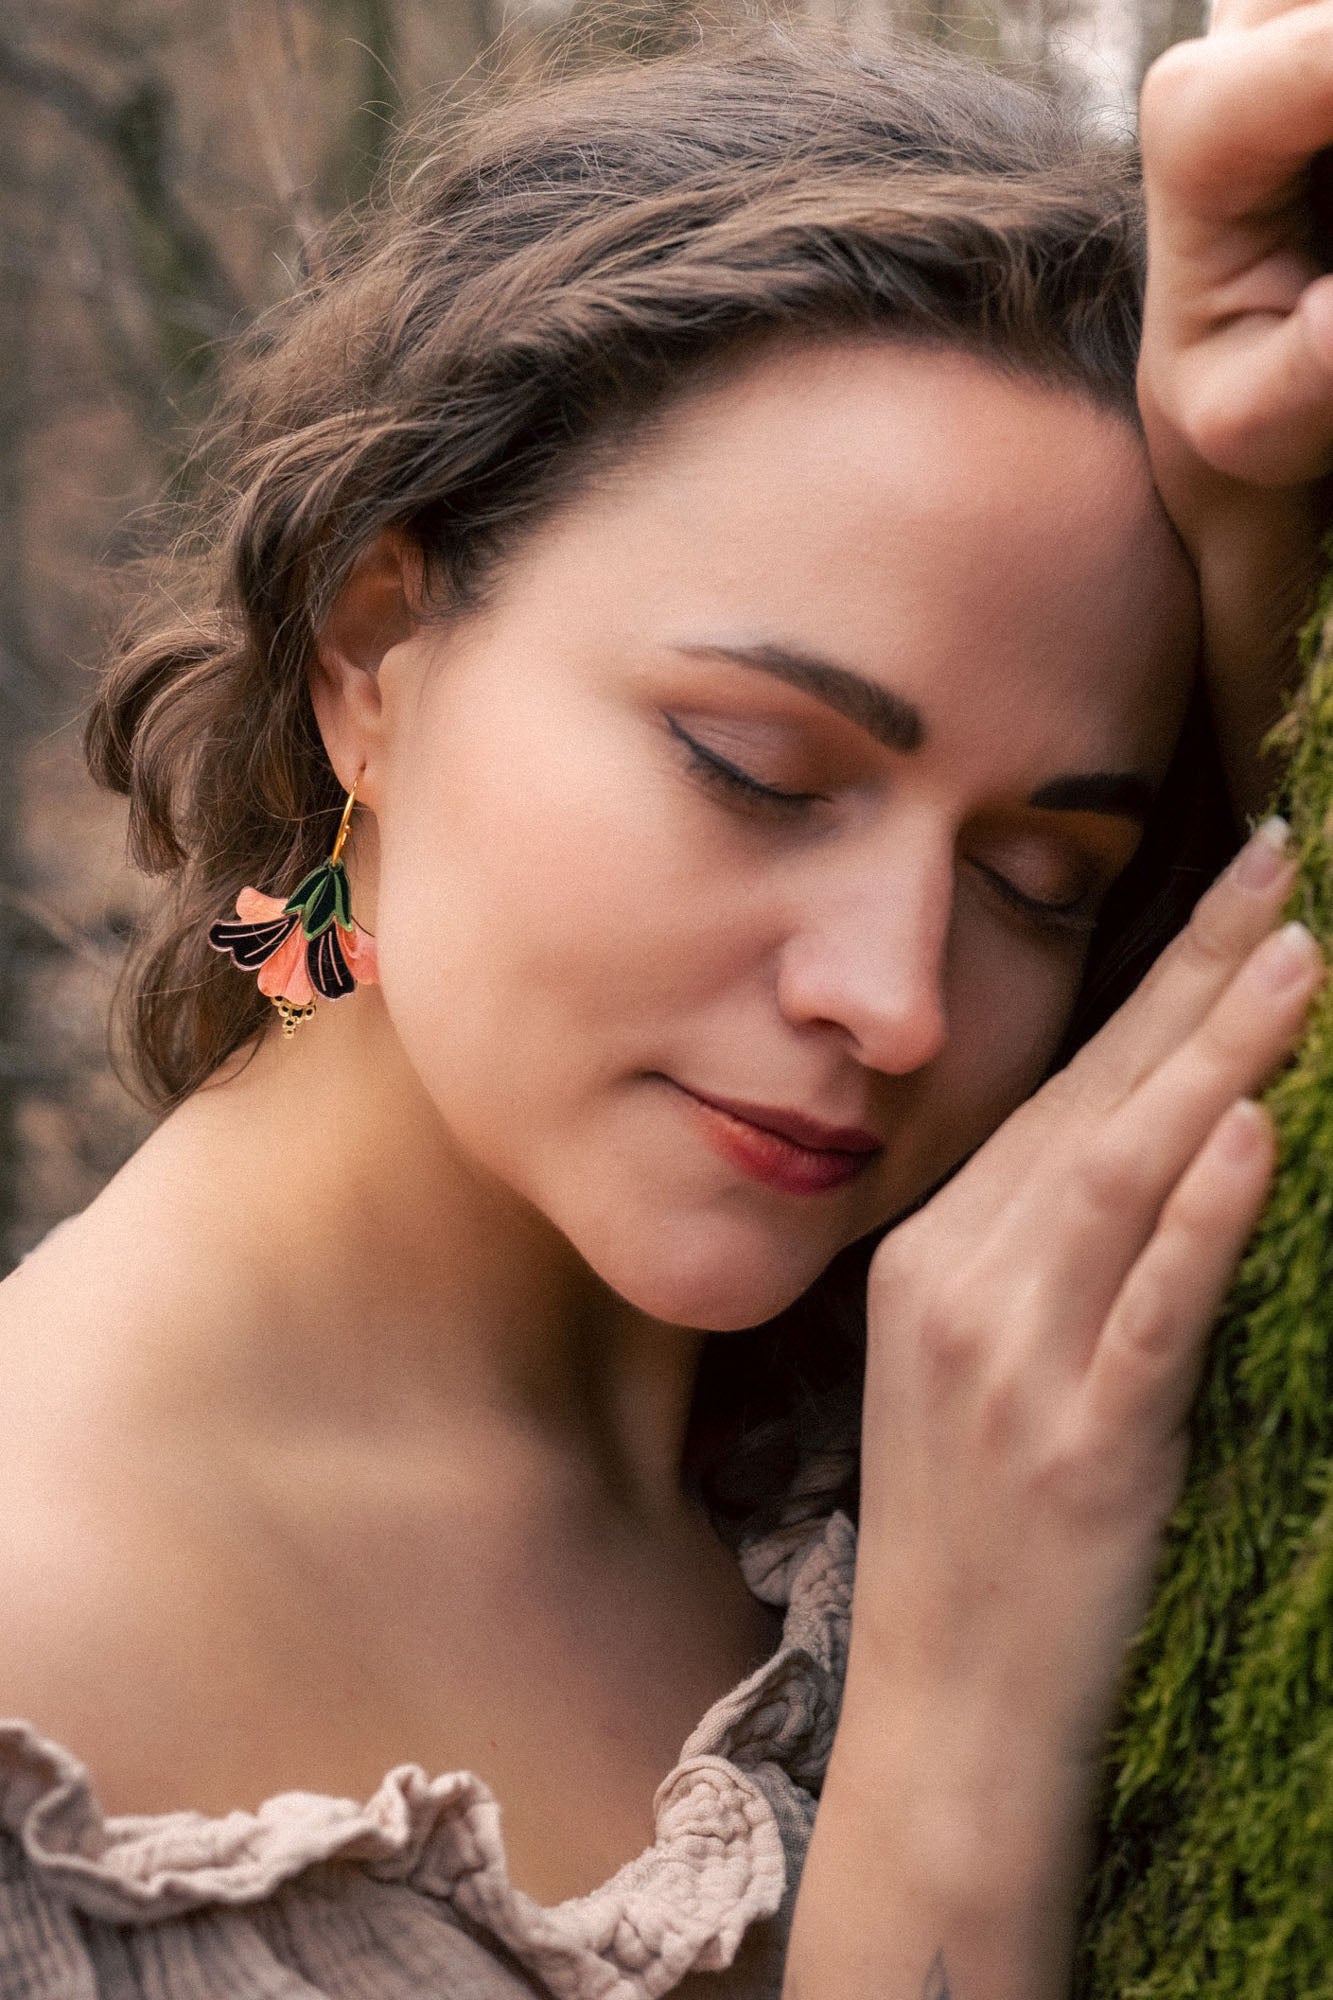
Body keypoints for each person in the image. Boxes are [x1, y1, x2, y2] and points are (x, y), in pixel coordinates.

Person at [0, 4, 1328, 1996]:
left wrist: (1252, 517)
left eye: (1035, 877)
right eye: (756, 770)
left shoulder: (969, 1368)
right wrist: (957, 1735)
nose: (894, 1001)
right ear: (374, 647)